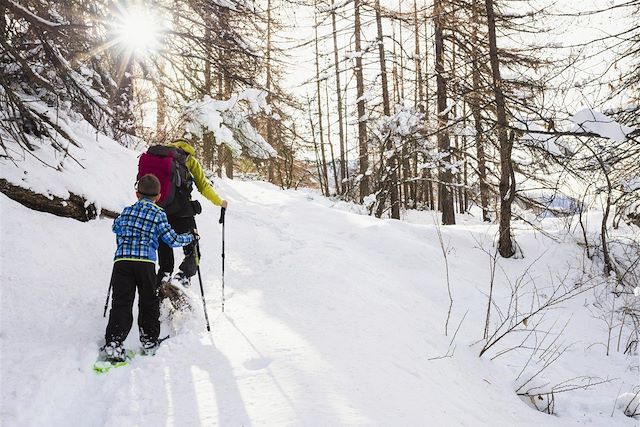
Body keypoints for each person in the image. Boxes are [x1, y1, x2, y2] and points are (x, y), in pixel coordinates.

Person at [101, 174, 194, 361]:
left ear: (137, 194)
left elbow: (116, 228)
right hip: (145, 264)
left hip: (122, 262)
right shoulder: (158, 214)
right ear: (158, 196)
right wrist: (190, 237)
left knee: (121, 302)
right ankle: (150, 341)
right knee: (148, 302)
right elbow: (172, 239)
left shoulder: (127, 211)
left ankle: (114, 343)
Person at [157, 139, 228, 288]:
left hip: (161, 212)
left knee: (165, 256)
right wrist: (220, 202)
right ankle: (182, 278)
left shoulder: (160, 157)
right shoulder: (189, 160)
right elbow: (204, 187)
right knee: (193, 251)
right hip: (183, 213)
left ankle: (163, 282)